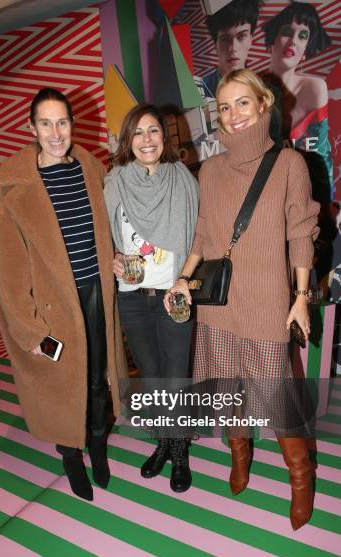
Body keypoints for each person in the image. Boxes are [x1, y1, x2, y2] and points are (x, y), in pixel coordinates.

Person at [165, 69, 320, 530]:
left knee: (278, 401)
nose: (232, 115)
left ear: (263, 105)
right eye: (224, 108)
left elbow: (301, 235)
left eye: (242, 104)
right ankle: (239, 455)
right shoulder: (210, 170)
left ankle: (300, 478)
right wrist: (182, 280)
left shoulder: (289, 164)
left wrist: (300, 297)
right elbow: (204, 237)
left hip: (268, 303)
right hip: (220, 306)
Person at [0, 88, 126, 501]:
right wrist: (31, 330)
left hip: (96, 295)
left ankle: (97, 443)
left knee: (99, 379)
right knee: (68, 383)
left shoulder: (92, 170)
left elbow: (107, 228)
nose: (55, 132)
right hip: (53, 309)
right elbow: (5, 266)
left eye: (61, 122)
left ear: (72, 125)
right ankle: (70, 454)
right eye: (45, 123)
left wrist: (116, 257)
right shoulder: (16, 190)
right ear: (32, 128)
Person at [104, 103, 198, 493]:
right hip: (133, 297)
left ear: (165, 136)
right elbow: (104, 235)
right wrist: (111, 256)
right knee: (154, 379)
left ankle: (179, 451)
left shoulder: (184, 180)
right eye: (138, 132)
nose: (146, 140)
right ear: (128, 139)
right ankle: (162, 441)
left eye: (154, 131)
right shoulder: (113, 182)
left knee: (176, 379)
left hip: (173, 296)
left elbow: (199, 241)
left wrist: (185, 281)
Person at [263, 1, 332, 204]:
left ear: (305, 49)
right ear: (272, 39)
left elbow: (321, 157)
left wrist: (324, 206)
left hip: (307, 194)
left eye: (302, 36)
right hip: (265, 196)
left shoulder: (315, 89)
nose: (293, 41)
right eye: (287, 31)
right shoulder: (251, 89)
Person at [203, 0, 262, 98]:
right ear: (215, 43)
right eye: (225, 39)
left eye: (241, 36)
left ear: (251, 38)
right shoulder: (199, 91)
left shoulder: (265, 89)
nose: (233, 48)